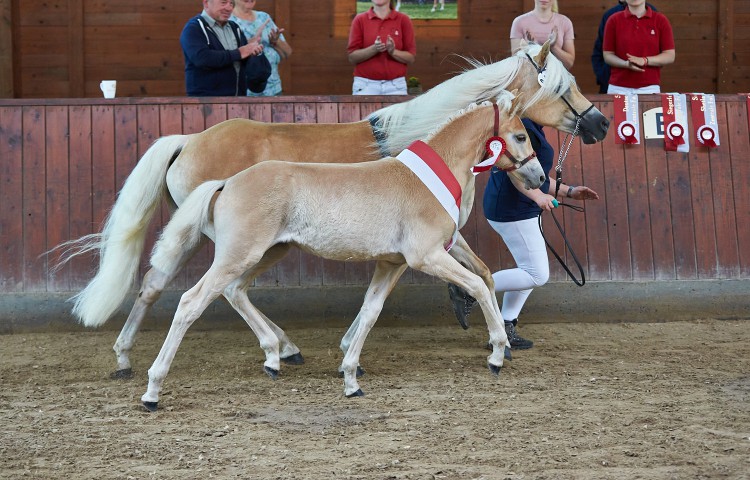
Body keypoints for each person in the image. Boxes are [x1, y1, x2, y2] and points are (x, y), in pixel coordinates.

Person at [481, 119, 600, 349]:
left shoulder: (531, 126)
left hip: (517, 208)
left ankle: (506, 326)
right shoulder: (524, 126)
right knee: (536, 274)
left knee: (527, 272)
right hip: (514, 209)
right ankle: (469, 286)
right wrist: (538, 197)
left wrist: (569, 191)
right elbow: (514, 171)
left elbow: (538, 175)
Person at [180, 0, 264, 97]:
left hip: (239, 101)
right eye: (223, 2)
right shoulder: (194, 28)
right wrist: (239, 53)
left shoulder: (234, 27)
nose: (229, 8)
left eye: (232, 3)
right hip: (205, 104)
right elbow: (202, 58)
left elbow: (245, 61)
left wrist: (255, 54)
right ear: (206, 3)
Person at [602, 0, 675, 94]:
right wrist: (625, 64)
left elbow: (669, 55)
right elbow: (607, 55)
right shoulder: (613, 20)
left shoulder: (661, 20)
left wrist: (645, 60)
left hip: (649, 88)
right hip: (618, 88)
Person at [347, 0, 416, 95]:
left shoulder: (403, 19)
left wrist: (393, 52)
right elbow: (352, 57)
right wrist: (374, 49)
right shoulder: (359, 20)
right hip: (365, 85)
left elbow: (411, 58)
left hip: (396, 86)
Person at [591, 0, 657, 94]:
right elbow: (599, 51)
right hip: (612, 82)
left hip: (645, 84)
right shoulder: (610, 15)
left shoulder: (653, 14)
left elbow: (660, 52)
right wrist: (603, 76)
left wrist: (646, 64)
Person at [231, 0, 293, 97]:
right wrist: (249, 44)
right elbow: (224, 55)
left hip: (273, 91)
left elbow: (287, 52)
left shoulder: (264, 17)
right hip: (245, 93)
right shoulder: (229, 20)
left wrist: (275, 41)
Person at [509, 0, 575, 71]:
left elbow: (569, 63)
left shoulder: (565, 22)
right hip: (528, 78)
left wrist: (554, 47)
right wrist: (532, 47)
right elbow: (515, 60)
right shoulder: (519, 22)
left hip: (556, 78)